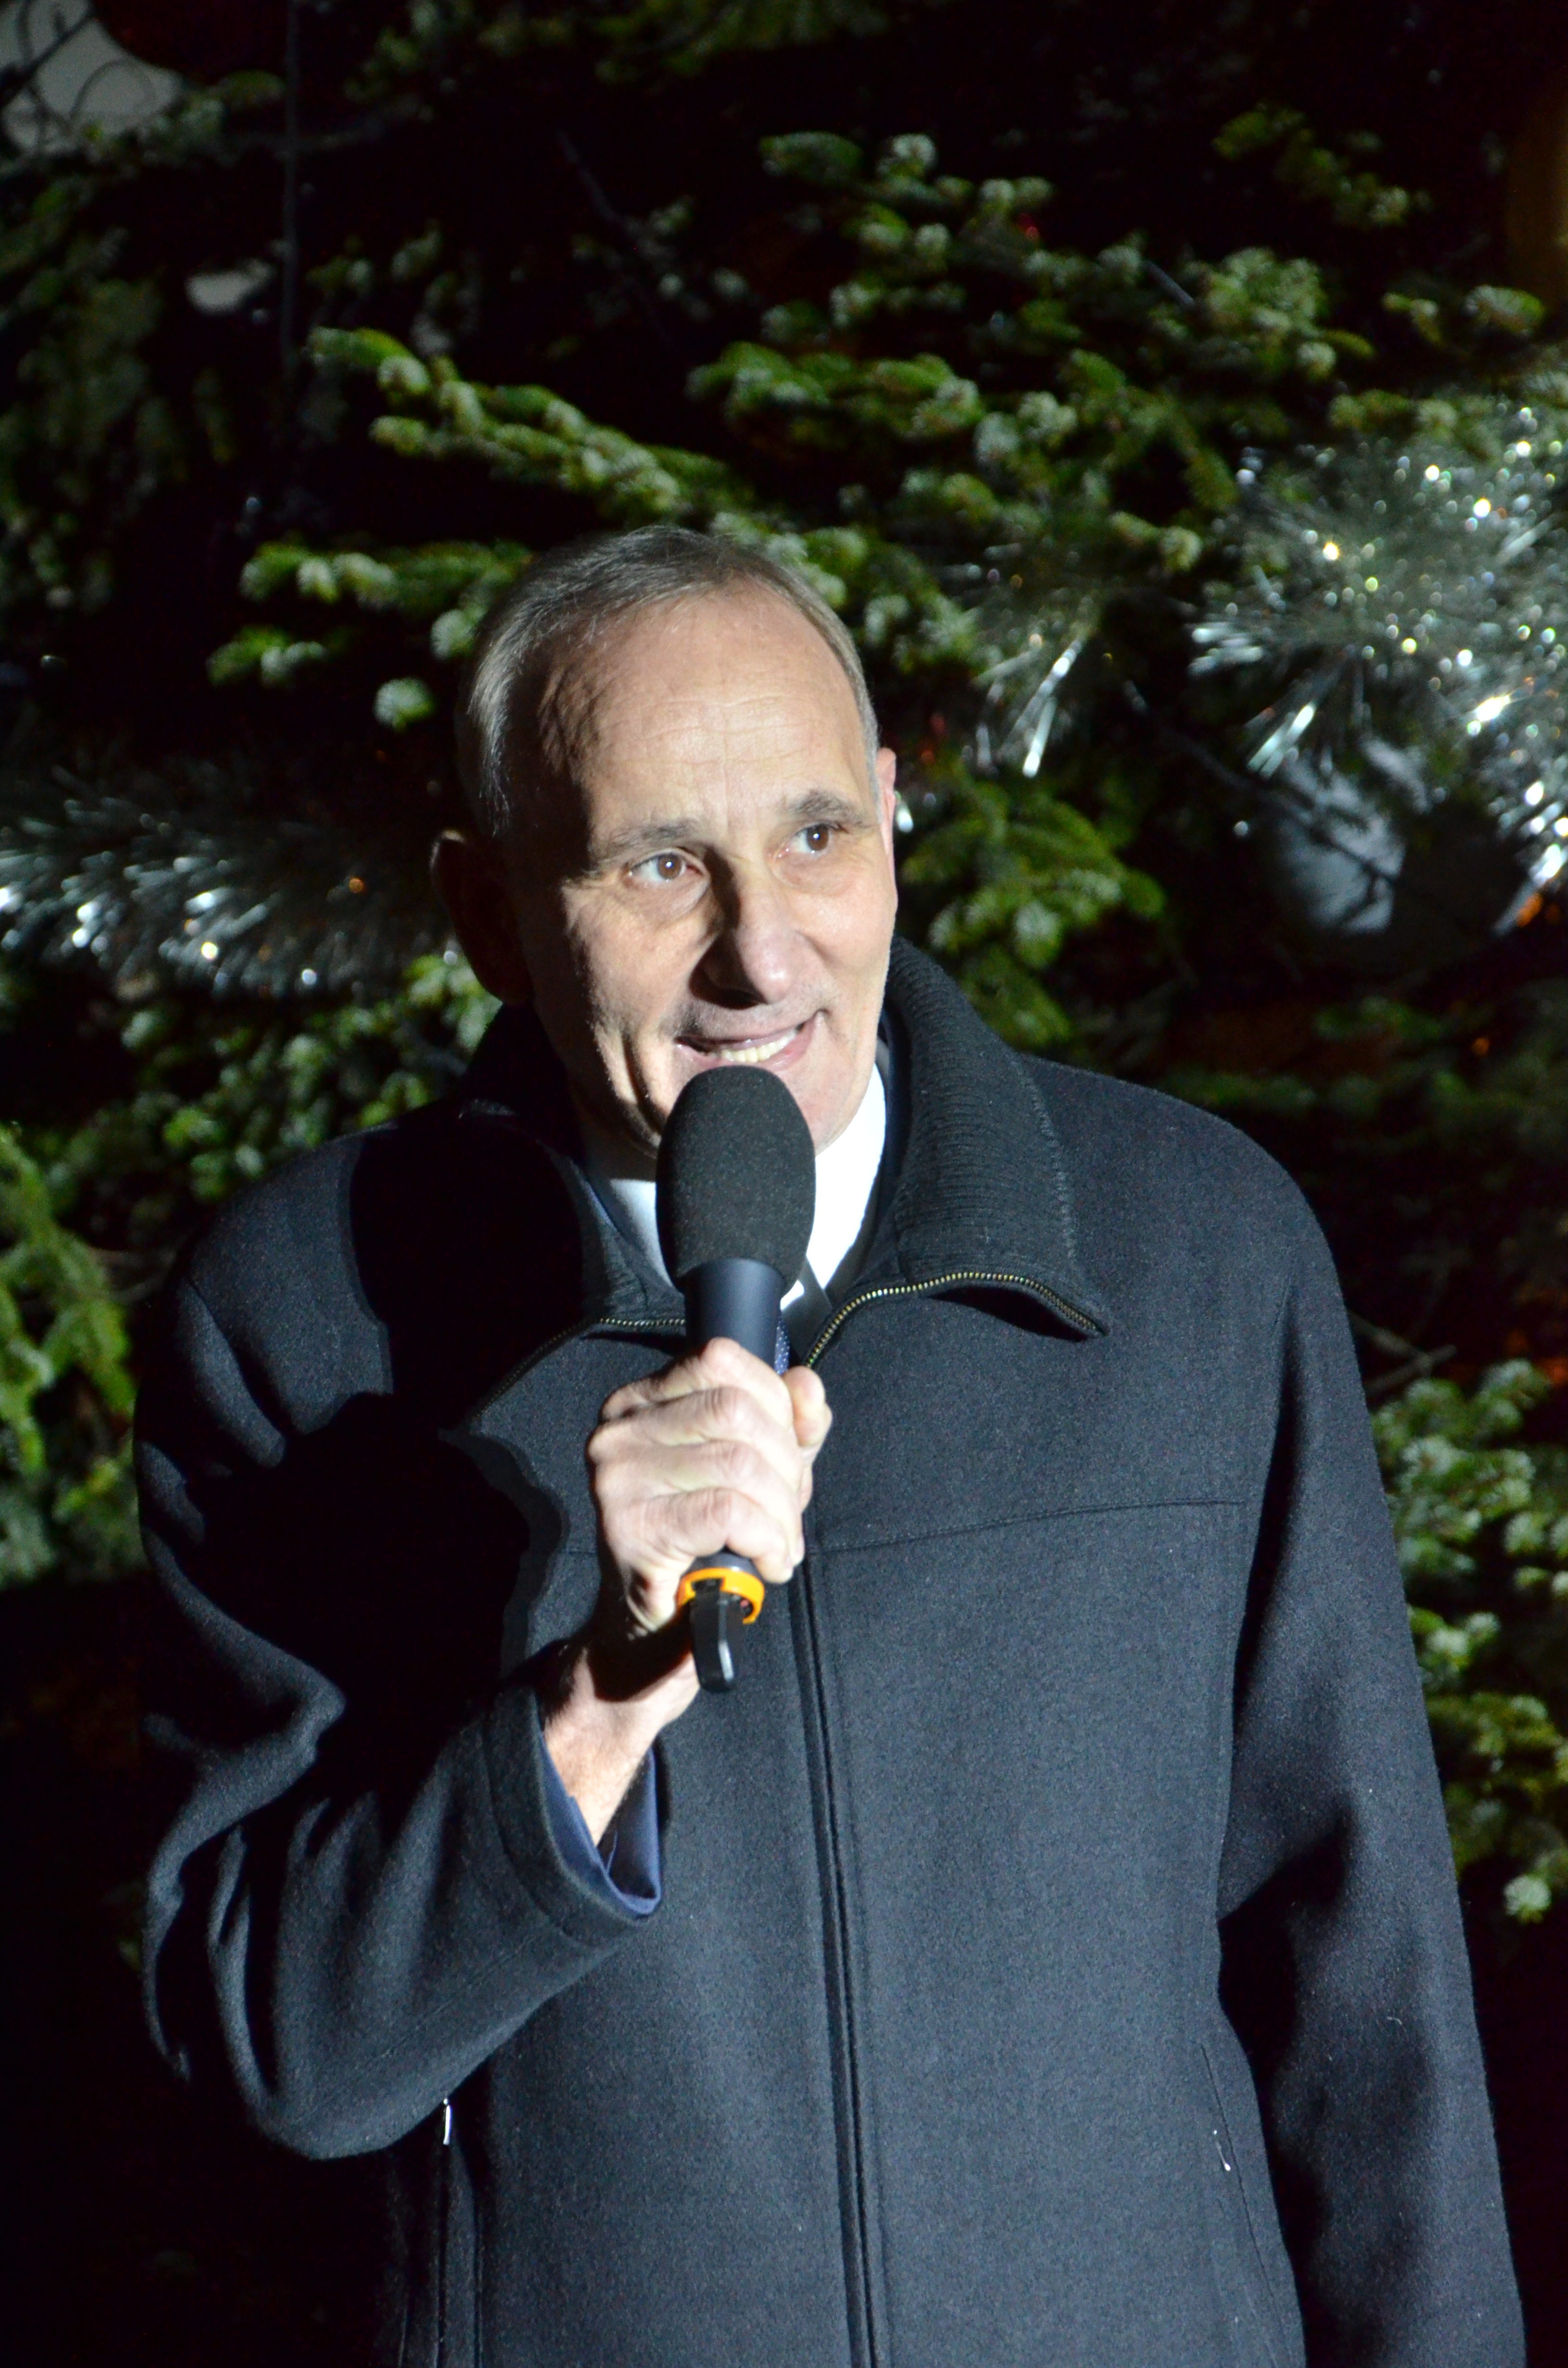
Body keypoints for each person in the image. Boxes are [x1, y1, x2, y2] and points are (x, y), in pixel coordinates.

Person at [138, 525, 1522, 2368]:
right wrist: (595, 1705)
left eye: (815, 834)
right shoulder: (299, 1324)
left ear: (891, 813)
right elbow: (285, 2057)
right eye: (660, 866)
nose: (761, 952)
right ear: (489, 913)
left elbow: (1374, 2001)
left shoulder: (1193, 1251)